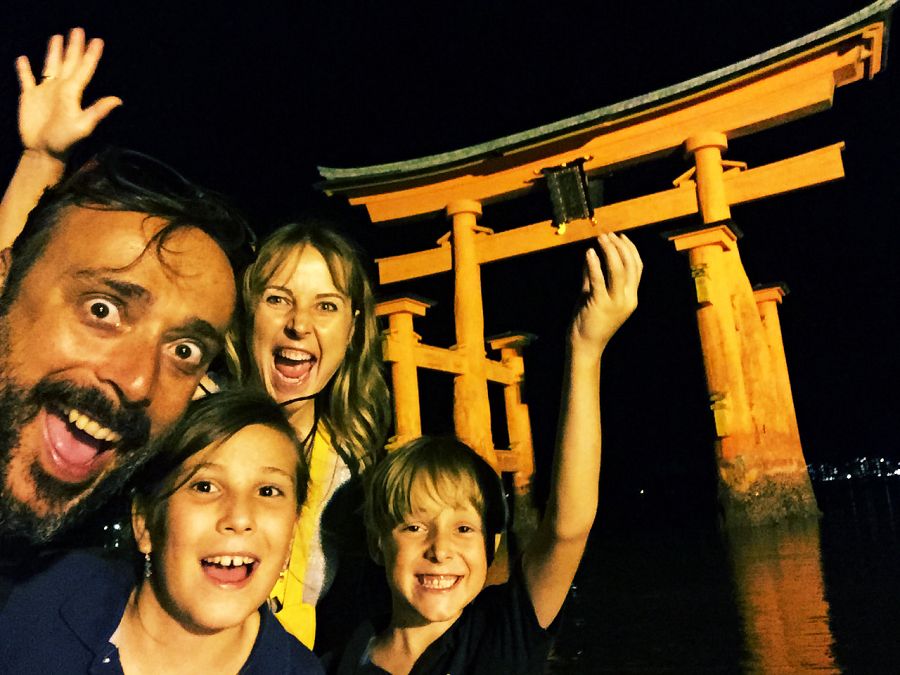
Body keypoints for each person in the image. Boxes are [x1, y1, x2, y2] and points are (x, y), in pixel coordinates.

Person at [333, 233, 642, 674]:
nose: (440, 549)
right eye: (414, 525)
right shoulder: (341, 656)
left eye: (464, 528)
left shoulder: (501, 632)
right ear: (378, 543)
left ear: (492, 545)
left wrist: (586, 349)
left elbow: (567, 528)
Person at [0, 30, 251, 556]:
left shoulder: (98, 586)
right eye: (103, 309)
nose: (138, 382)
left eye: (185, 351)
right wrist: (40, 159)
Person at [0, 389, 324, 674]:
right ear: (144, 521)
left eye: (268, 491)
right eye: (205, 486)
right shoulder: (32, 599)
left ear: (291, 532)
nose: (240, 517)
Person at [233, 221, 391, 649]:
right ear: (247, 310)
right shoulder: (190, 425)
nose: (299, 324)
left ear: (352, 328)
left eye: (326, 306)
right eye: (277, 299)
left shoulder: (355, 468)